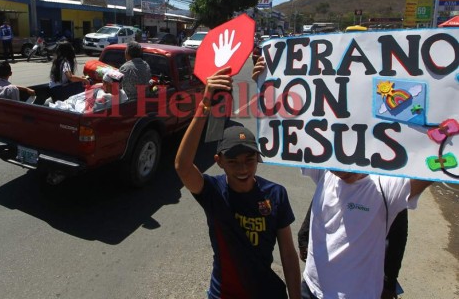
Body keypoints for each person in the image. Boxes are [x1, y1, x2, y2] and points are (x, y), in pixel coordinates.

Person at [252, 56, 433, 299]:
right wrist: (266, 85)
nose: (337, 165)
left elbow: (435, 165)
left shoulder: (387, 186)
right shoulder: (324, 170)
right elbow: (288, 125)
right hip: (311, 289)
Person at [175, 67, 301, 299]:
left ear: (258, 159)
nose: (242, 168)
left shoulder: (276, 194)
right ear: (219, 161)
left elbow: (288, 254)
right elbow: (183, 166)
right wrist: (204, 105)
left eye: (249, 160)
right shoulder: (212, 191)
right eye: (233, 161)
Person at [297, 202, 408, 299]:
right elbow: (319, 200)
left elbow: (397, 236)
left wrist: (389, 282)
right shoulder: (331, 177)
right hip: (314, 283)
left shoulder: (388, 186)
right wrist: (304, 235)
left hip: (356, 288)